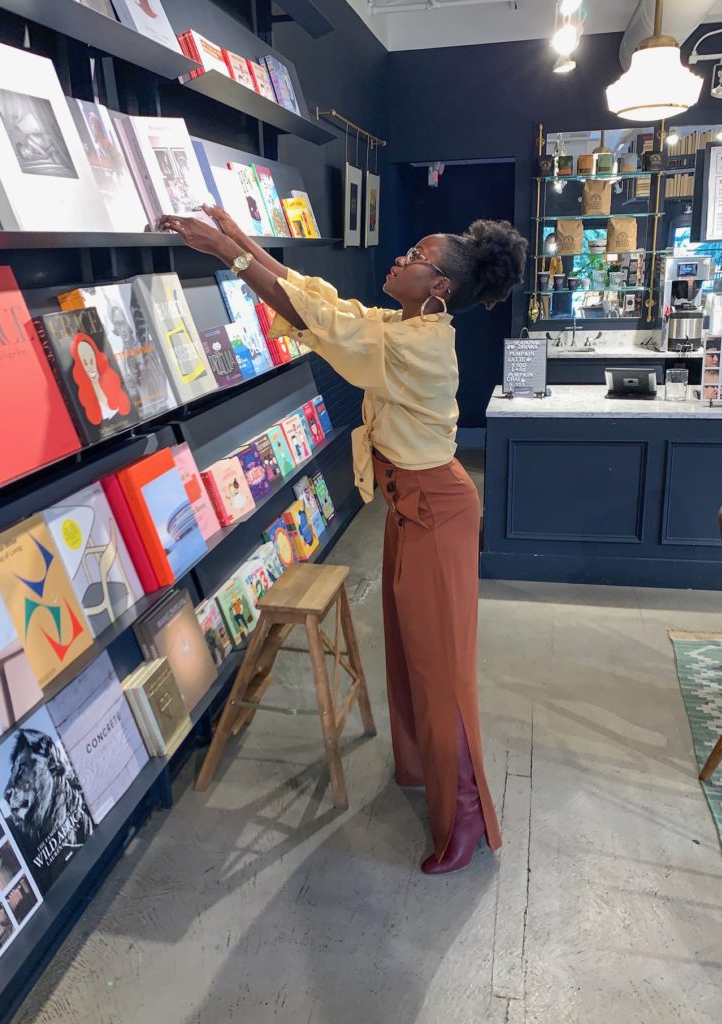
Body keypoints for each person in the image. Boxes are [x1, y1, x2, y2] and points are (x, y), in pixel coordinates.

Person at [158, 205, 527, 876]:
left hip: (437, 513)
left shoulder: (414, 346)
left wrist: (225, 253)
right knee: (411, 651)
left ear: (438, 285)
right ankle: (423, 772)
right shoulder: (403, 325)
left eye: (414, 253)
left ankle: (466, 813)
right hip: (411, 508)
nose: (399, 258)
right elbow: (319, 300)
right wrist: (238, 240)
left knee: (442, 670)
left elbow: (313, 318)